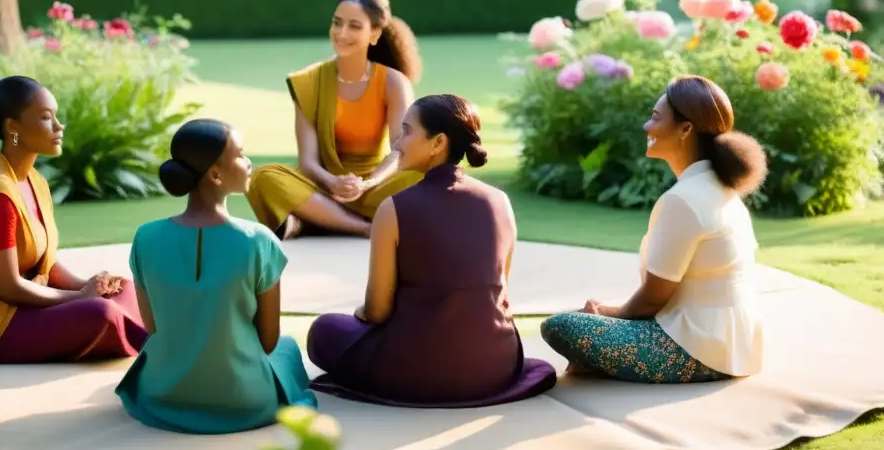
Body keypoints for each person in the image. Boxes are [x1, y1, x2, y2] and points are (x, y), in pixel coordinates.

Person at [305, 94, 557, 406]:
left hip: (415, 370)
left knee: (325, 330)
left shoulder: (393, 209)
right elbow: (501, 295)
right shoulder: (501, 202)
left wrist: (358, 314)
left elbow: (377, 311)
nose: (397, 144)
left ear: (438, 143)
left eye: (407, 132)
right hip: (495, 367)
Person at [541, 75, 768, 384]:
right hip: (733, 346)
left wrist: (604, 315)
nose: (647, 127)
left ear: (686, 129)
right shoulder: (720, 188)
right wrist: (605, 313)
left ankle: (598, 356)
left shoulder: (683, 200)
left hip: (697, 352)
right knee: (584, 317)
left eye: (655, 118)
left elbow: (651, 300)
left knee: (562, 325)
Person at [0, 76, 147, 370]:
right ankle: (154, 343)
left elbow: (43, 264)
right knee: (100, 313)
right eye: (46, 118)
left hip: (31, 305)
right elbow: (9, 288)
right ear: (13, 129)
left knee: (125, 289)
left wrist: (88, 284)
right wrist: (79, 297)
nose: (59, 126)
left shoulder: (35, 182)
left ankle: (144, 338)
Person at [115, 119, 317, 434]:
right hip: (245, 399)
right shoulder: (258, 240)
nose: (249, 162)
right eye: (240, 154)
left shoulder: (145, 237)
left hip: (164, 393)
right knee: (288, 349)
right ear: (215, 173)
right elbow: (267, 342)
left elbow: (153, 328)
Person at [245, 0, 424, 239]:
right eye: (337, 23)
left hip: (375, 187)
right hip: (322, 187)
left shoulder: (393, 83)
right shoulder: (309, 81)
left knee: (422, 176)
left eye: (354, 26)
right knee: (264, 177)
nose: (341, 33)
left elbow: (400, 149)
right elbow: (308, 162)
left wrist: (369, 183)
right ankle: (365, 227)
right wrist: (332, 182)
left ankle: (314, 220)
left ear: (374, 34)